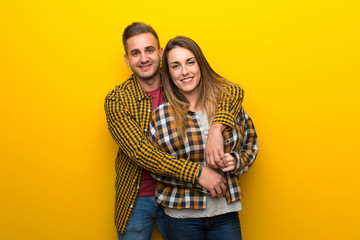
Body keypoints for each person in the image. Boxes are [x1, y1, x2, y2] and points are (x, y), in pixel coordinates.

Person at [104, 23, 245, 239]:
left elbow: (231, 90)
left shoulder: (179, 79)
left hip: (181, 197)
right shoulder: (117, 100)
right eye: (135, 53)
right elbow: (142, 153)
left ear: (160, 53)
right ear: (127, 59)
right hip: (138, 196)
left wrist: (217, 127)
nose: (144, 58)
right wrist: (198, 173)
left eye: (149, 50)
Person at [148, 36, 259, 240]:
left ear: (200, 65)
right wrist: (200, 176)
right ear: (169, 75)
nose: (185, 72)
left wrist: (235, 161)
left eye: (190, 62)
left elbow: (251, 145)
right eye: (175, 66)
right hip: (182, 217)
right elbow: (157, 168)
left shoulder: (227, 105)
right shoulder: (161, 116)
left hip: (225, 214)